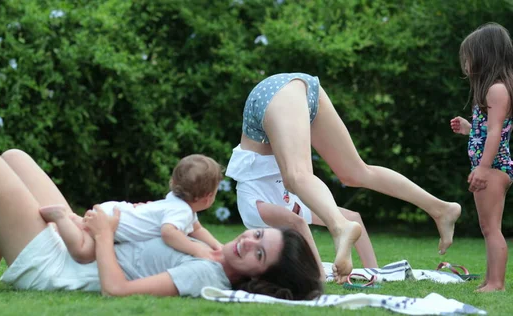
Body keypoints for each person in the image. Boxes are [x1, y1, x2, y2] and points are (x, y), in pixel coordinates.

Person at [0, 141, 322, 300]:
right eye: (255, 234)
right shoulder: (215, 256)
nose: (246, 241)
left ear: (259, 278)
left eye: (258, 252)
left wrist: (105, 233)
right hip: (73, 249)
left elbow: (118, 290)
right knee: (14, 159)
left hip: (58, 269)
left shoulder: (205, 277)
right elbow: (195, 235)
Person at [237, 72, 462, 281]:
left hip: (274, 96)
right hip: (300, 91)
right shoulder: (292, 205)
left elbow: (296, 223)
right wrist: (373, 272)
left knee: (296, 177)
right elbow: (308, 222)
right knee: (356, 173)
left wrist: (315, 275)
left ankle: (339, 228)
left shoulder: (257, 213)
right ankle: (441, 208)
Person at [39, 154, 224, 264]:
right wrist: (196, 250)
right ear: (208, 198)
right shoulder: (181, 211)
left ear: (173, 183)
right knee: (83, 252)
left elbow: (197, 229)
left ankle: (72, 221)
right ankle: (61, 218)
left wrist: (216, 246)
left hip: (115, 211)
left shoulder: (176, 203)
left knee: (84, 231)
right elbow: (168, 233)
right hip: (114, 221)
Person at [226, 147, 378, 268]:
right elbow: (298, 222)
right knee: (350, 217)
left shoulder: (257, 212)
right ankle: (374, 271)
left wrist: (318, 271)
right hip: (273, 163)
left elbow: (297, 223)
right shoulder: (291, 210)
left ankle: (373, 271)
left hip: (256, 156)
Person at [450, 22, 513, 293]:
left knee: (491, 228)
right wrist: (469, 128)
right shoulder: (490, 90)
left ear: (485, 55)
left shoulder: (496, 90)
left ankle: (496, 283)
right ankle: (490, 279)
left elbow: (497, 132)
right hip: (491, 166)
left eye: (469, 56)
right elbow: (488, 130)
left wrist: (484, 168)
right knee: (488, 227)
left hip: (494, 168)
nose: (466, 63)